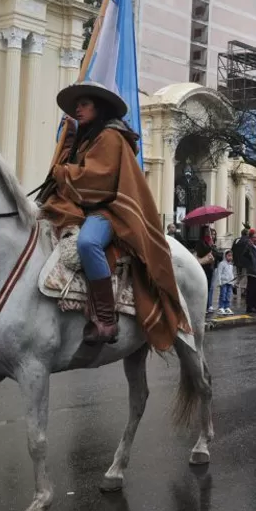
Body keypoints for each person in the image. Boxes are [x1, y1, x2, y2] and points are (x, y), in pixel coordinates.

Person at [36, 81, 191, 345]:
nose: (78, 109)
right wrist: (68, 142)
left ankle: (106, 320)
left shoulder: (109, 136)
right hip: (83, 207)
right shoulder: (86, 138)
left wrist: (63, 173)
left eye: (84, 105)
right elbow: (68, 169)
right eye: (76, 106)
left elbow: (97, 180)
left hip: (108, 210)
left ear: (100, 107)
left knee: (88, 243)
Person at [195, 229, 217, 313]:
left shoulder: (211, 242)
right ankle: (202, 306)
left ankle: (207, 306)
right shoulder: (201, 242)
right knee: (203, 287)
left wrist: (212, 247)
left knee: (208, 287)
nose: (209, 234)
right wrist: (210, 247)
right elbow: (201, 252)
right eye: (207, 232)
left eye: (210, 232)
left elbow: (216, 254)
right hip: (203, 267)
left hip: (210, 268)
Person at [216, 250, 236, 315]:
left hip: (230, 283)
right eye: (229, 256)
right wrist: (219, 282)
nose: (230, 257)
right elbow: (219, 273)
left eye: (231, 256)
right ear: (225, 256)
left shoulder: (231, 265)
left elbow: (232, 274)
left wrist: (233, 282)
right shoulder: (222, 264)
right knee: (223, 295)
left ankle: (227, 307)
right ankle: (221, 307)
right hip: (223, 282)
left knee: (228, 295)